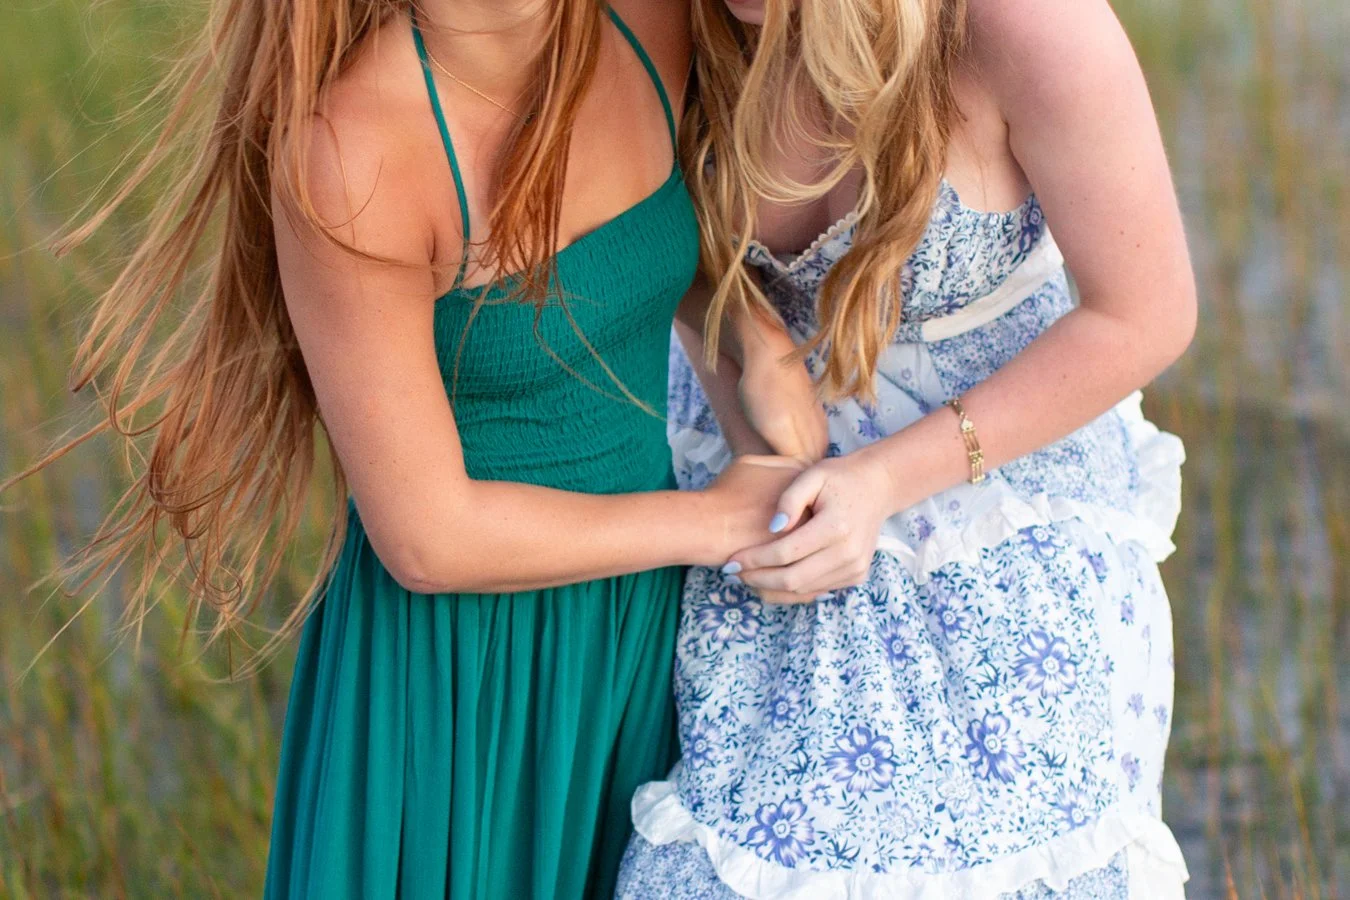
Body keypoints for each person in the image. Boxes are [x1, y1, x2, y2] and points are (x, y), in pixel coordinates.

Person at [9, 0, 806, 896]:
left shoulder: (641, 17)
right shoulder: (355, 152)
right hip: (462, 678)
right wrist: (717, 521)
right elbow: (429, 538)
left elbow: (632, 241)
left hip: (639, 634)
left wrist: (749, 326)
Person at [617, 0, 1197, 896]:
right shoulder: (656, 17)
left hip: (997, 473)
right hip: (740, 457)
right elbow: (625, 204)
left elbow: (1144, 313)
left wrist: (881, 480)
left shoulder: (1026, 26)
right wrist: (747, 340)